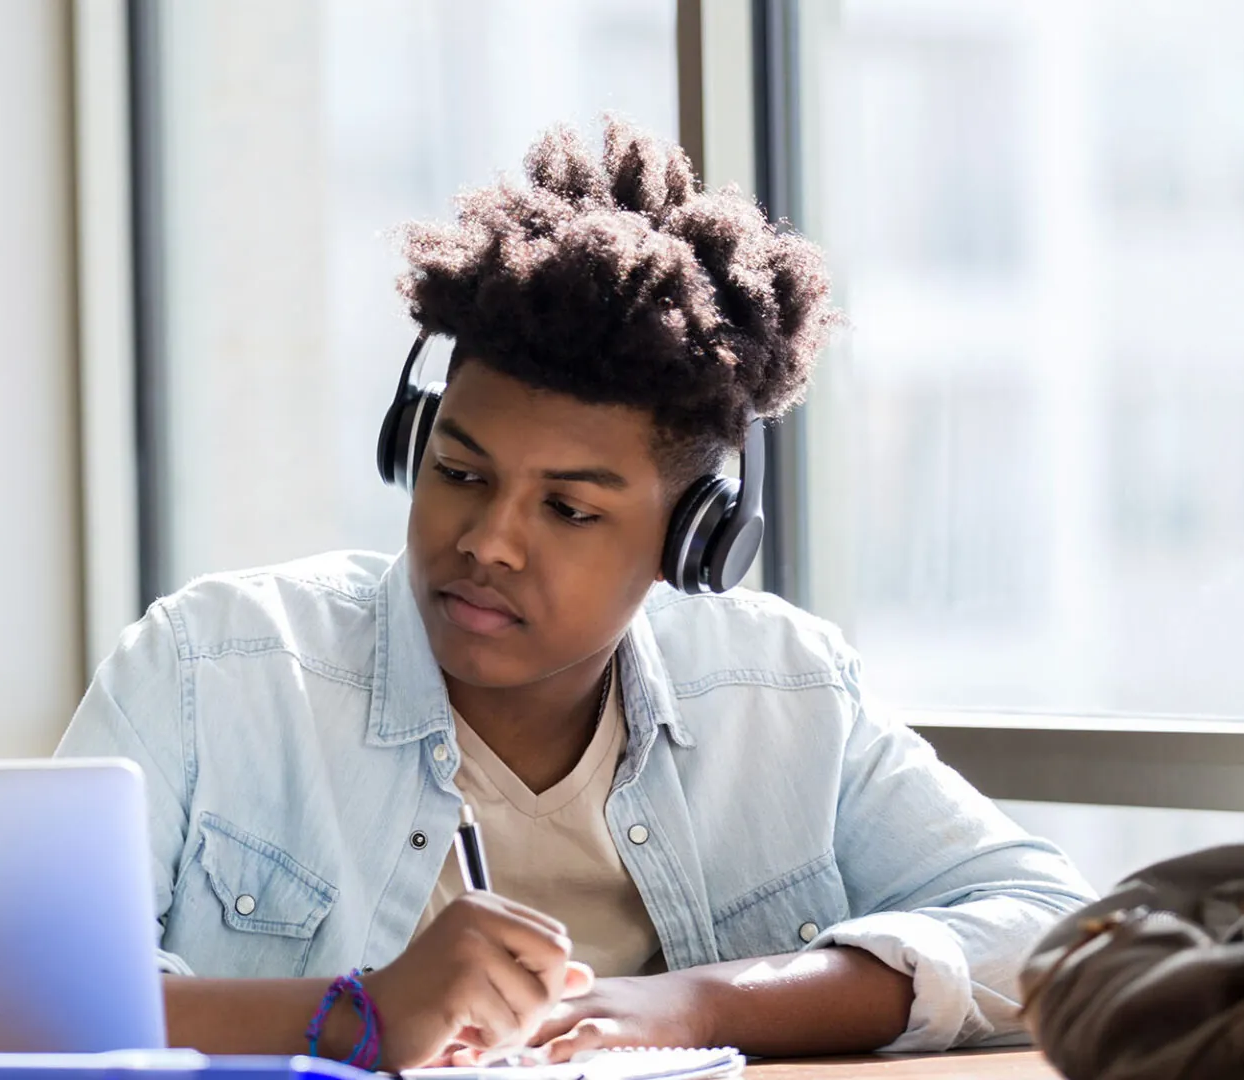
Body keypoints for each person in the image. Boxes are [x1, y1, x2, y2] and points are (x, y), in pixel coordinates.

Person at [56, 118, 1093, 1070]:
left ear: (694, 543)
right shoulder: (214, 664)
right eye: (459, 474)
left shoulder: (783, 694)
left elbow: (1055, 929)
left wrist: (699, 1005)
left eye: (569, 510)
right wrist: (361, 1013)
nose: (488, 542)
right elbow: (11, 1000)